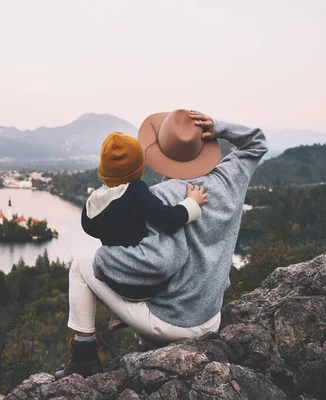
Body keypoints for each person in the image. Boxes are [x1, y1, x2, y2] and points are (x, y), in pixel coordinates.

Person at [54, 109, 268, 380]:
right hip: (210, 318)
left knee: (81, 268)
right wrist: (218, 127)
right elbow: (257, 142)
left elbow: (157, 263)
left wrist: (105, 260)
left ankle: (84, 358)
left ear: (158, 154)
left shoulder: (160, 197)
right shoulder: (230, 179)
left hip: (172, 323)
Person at [81, 131, 208, 331]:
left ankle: (118, 312)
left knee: (97, 261)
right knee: (173, 251)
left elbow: (89, 227)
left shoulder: (94, 202)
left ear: (102, 171)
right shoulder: (136, 192)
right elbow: (168, 220)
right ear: (138, 168)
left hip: (118, 280)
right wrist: (192, 202)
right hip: (147, 283)